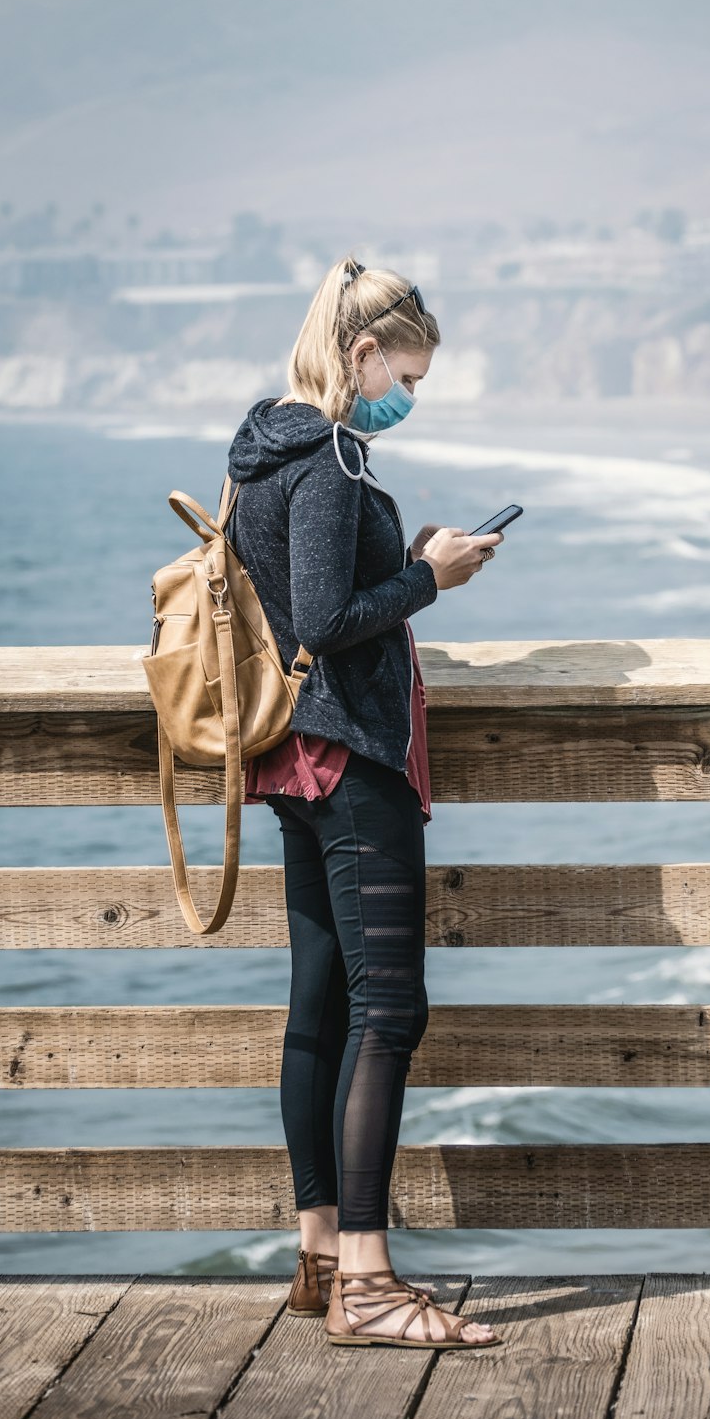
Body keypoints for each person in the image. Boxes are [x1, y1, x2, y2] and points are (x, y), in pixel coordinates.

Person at [224, 254, 504, 1349]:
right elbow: (326, 618)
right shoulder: (334, 458)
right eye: (408, 378)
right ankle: (371, 1286)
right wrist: (433, 574)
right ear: (362, 354)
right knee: (390, 1015)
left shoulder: (261, 450)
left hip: (290, 760)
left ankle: (318, 1255)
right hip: (348, 763)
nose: (409, 399)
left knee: (321, 1011)